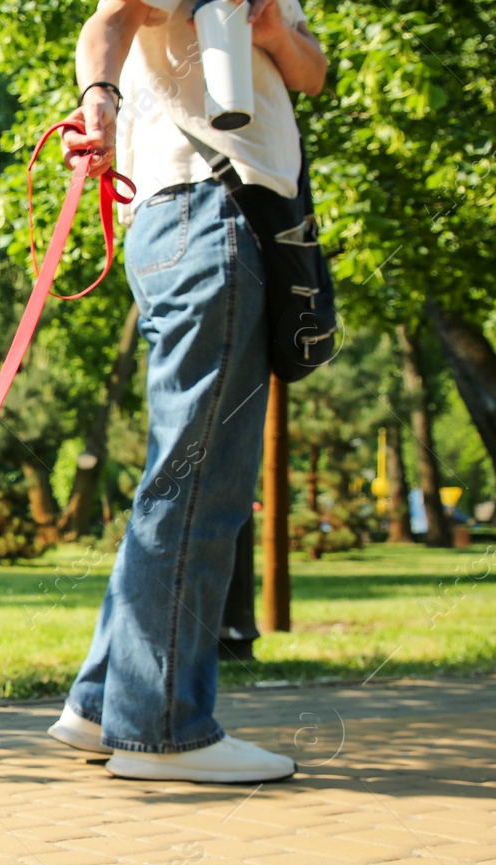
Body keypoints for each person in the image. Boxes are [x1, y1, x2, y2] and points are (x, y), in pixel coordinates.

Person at [46, 0, 326, 782]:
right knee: (203, 481)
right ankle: (163, 728)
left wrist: (275, 34)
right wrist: (99, 99)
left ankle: (105, 703)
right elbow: (114, 18)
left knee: (182, 474)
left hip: (235, 215)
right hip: (209, 206)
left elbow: (312, 70)